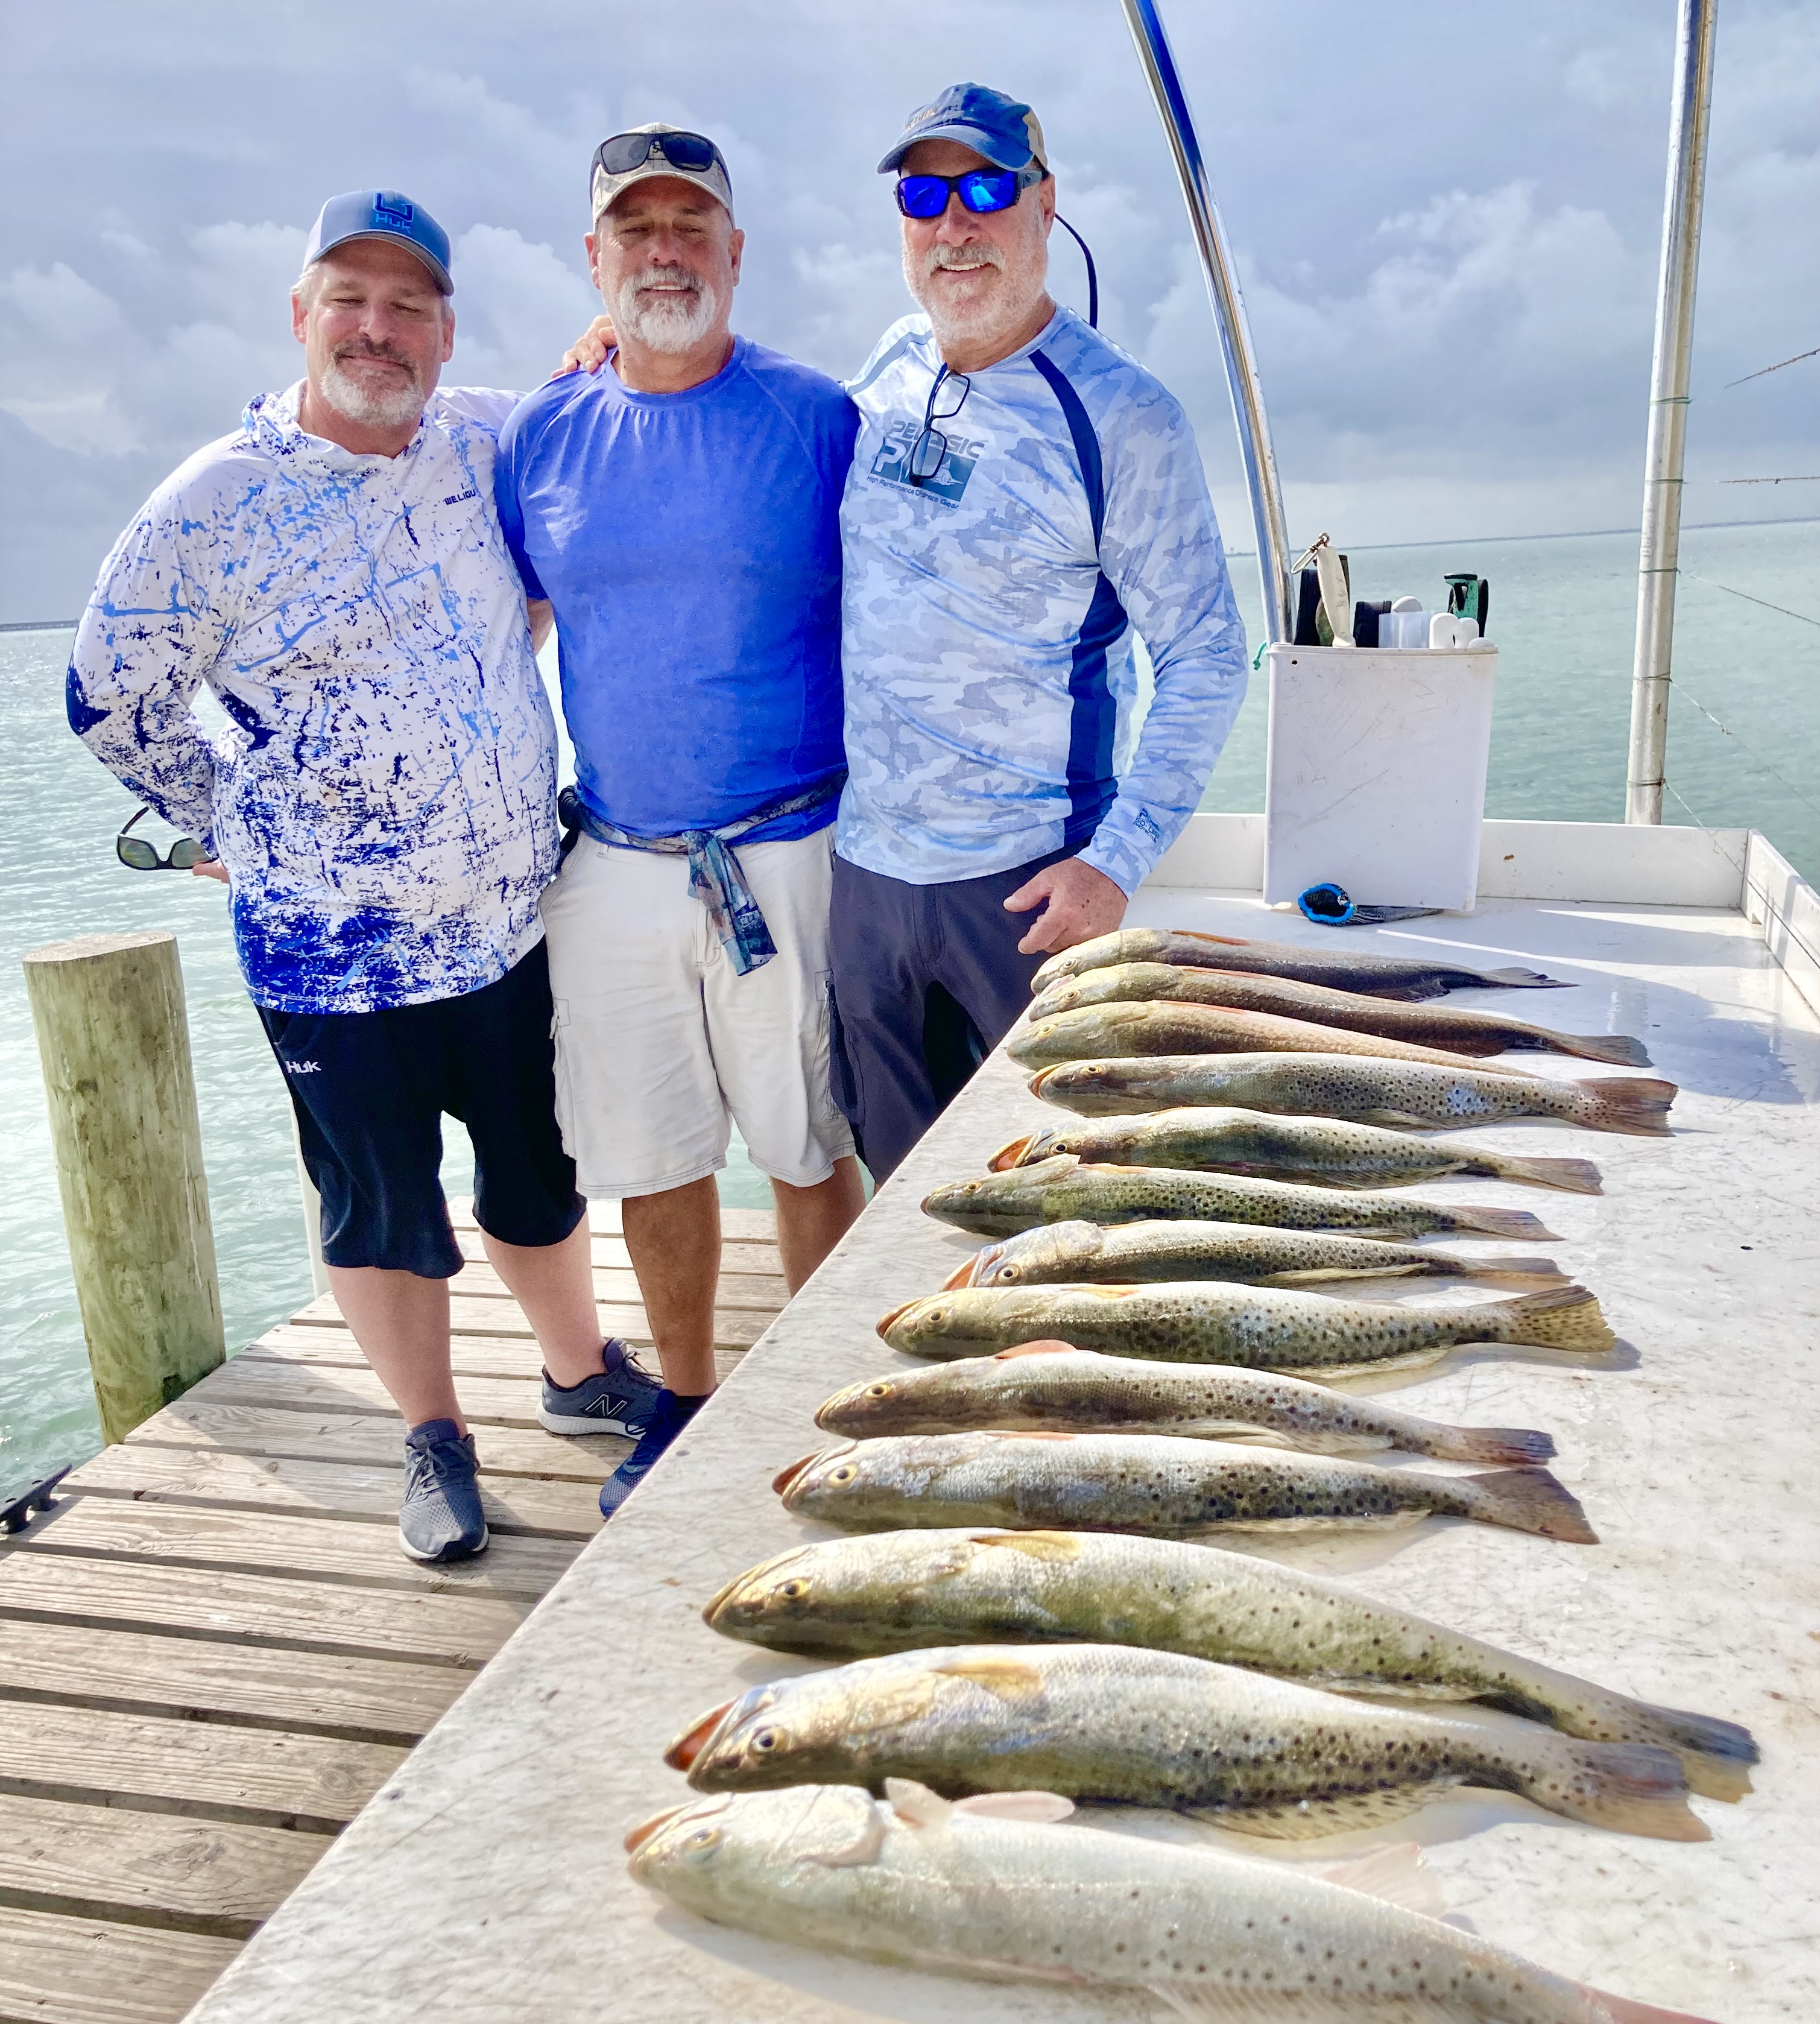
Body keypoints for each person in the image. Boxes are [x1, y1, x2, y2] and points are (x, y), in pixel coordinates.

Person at [65, 189, 666, 1566]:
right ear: (301, 316)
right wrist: (224, 819)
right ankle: (432, 1434)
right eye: (350, 300)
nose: (377, 330)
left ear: (447, 333)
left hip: (510, 926)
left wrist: (601, 347)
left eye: (409, 307)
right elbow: (106, 697)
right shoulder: (211, 499)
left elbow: (594, 404)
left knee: (540, 1179)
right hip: (329, 956)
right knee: (381, 1209)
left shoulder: (486, 437)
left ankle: (578, 1373)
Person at [494, 130, 867, 1515]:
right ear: (595, 259)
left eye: (690, 225)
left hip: (791, 846)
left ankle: (838, 1399)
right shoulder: (538, 432)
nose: (665, 251)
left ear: (735, 252)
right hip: (616, 860)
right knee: (652, 1155)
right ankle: (691, 1405)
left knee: (808, 1142)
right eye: (635, 229)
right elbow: (510, 622)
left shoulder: (817, 416)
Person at [829, 85, 1250, 1178]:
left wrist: (1114, 865)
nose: (954, 224)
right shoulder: (886, 367)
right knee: (900, 1190)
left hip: (1025, 891)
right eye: (924, 196)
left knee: (1066, 1195)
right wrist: (612, 348)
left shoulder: (1123, 415)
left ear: (1045, 204)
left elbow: (1206, 655)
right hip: (867, 881)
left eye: (986, 190)